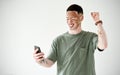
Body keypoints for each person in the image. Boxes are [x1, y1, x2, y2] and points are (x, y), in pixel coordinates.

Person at [33, 4, 108, 75]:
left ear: (81, 18)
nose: (69, 22)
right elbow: (49, 63)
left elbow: (103, 45)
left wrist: (98, 22)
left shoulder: (90, 37)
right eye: (67, 19)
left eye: (73, 18)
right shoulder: (58, 40)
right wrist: (39, 60)